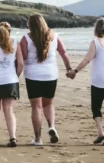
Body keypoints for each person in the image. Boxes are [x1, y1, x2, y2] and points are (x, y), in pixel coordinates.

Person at [67, 18, 104, 146]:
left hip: (99, 81)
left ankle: (100, 132)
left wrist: (75, 71)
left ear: (96, 28)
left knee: (96, 107)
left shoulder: (96, 42)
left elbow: (87, 59)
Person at [19, 14, 72, 146]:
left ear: (30, 25)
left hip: (33, 75)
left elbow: (23, 57)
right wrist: (69, 68)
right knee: (48, 104)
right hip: (50, 75)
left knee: (36, 107)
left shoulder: (26, 38)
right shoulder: (54, 36)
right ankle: (52, 126)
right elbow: (64, 52)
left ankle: (38, 139)